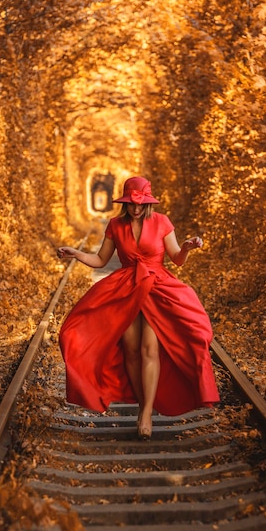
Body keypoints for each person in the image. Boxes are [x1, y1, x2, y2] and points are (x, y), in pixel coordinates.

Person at [57, 176, 219, 439]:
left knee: (149, 349)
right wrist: (76, 253)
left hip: (157, 288)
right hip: (126, 289)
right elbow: (100, 260)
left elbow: (177, 259)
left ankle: (145, 414)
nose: (136, 208)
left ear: (148, 203)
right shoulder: (115, 225)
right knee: (131, 351)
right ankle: (144, 403)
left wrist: (187, 247)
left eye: (140, 204)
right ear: (125, 203)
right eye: (131, 204)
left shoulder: (162, 222)